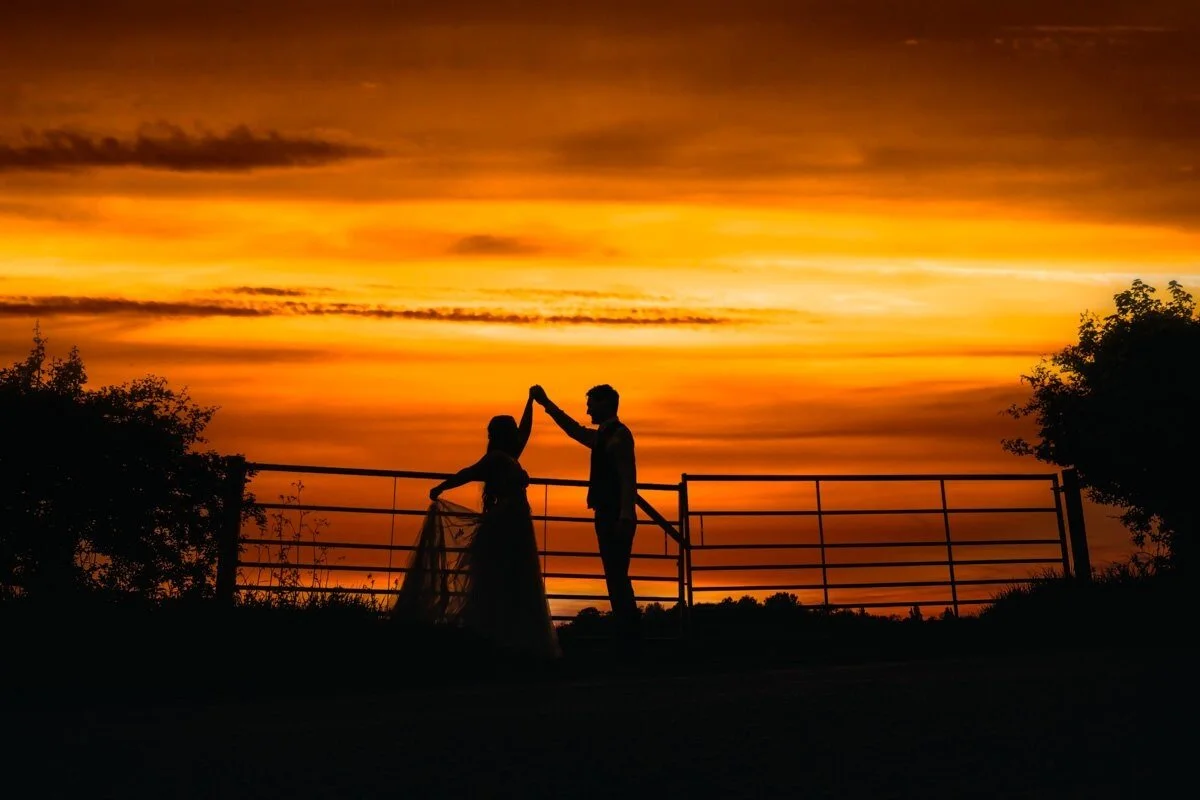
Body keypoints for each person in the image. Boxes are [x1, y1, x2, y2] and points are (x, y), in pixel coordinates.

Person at [392, 389, 560, 660]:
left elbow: (520, 434)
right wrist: (442, 487)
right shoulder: (503, 458)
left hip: (510, 521)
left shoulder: (502, 456)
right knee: (507, 577)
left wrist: (530, 403)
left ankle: (497, 635)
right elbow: (470, 472)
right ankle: (503, 636)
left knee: (501, 576)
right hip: (511, 522)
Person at [531, 383, 641, 651]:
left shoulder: (618, 436)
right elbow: (575, 431)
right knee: (615, 577)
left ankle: (630, 637)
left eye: (591, 403)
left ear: (606, 404)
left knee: (617, 577)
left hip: (614, 514)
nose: (588, 408)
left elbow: (628, 478)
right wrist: (547, 404)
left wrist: (626, 515)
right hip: (609, 513)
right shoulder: (607, 436)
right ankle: (628, 635)